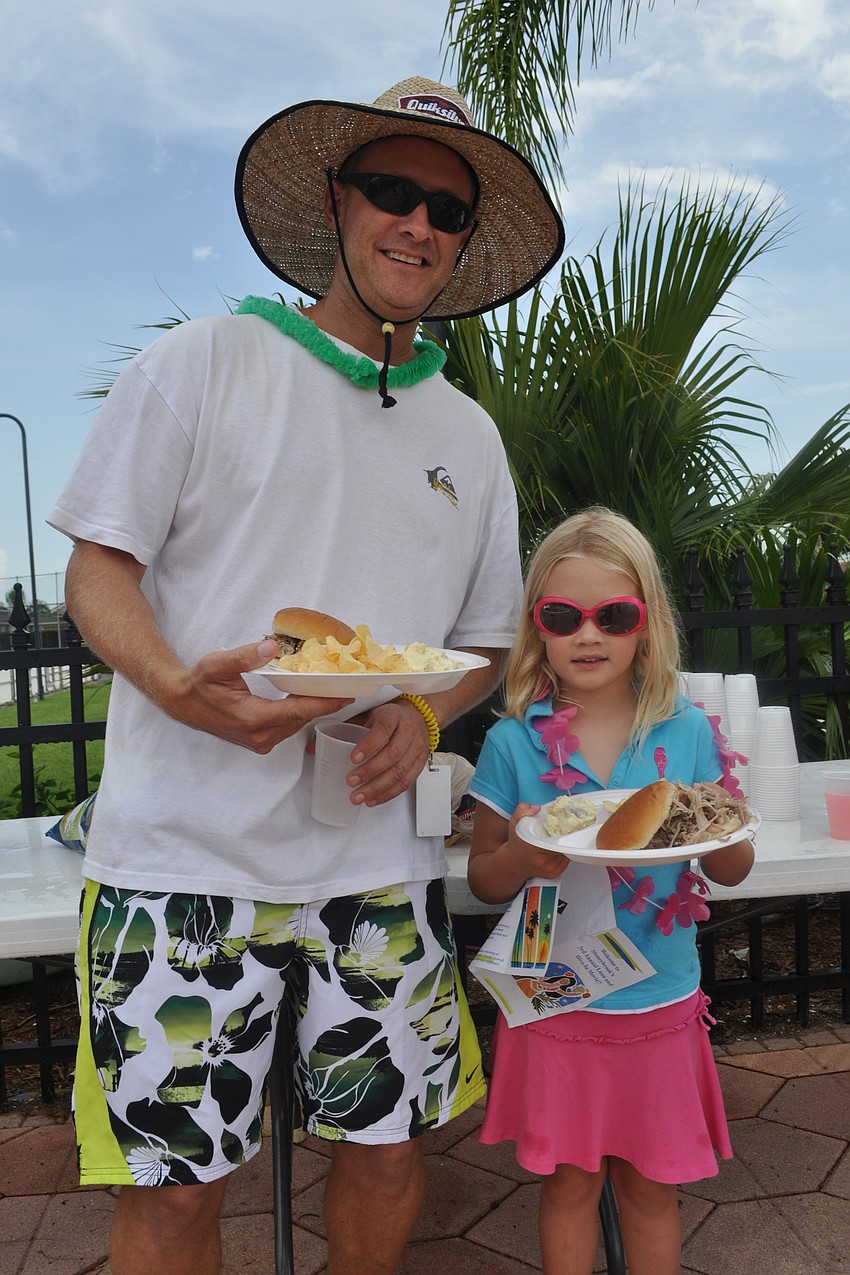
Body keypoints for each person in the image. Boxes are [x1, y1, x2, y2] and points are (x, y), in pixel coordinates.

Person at [46, 77, 564, 1275]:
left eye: (445, 210)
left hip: (375, 867)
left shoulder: (466, 436)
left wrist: (425, 710)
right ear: (336, 203)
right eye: (393, 193)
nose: (418, 227)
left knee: (387, 1154)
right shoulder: (203, 364)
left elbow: (484, 642)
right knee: (178, 1193)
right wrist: (175, 684)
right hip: (181, 857)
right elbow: (99, 571)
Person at [466, 507, 754, 1275]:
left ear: (647, 625)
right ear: (539, 628)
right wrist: (526, 852)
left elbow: (731, 867)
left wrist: (716, 823)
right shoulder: (512, 741)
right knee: (568, 1185)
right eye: (563, 615)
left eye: (613, 615)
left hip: (657, 998)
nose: (587, 635)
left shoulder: (685, 731)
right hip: (559, 998)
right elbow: (484, 876)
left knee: (654, 1188)